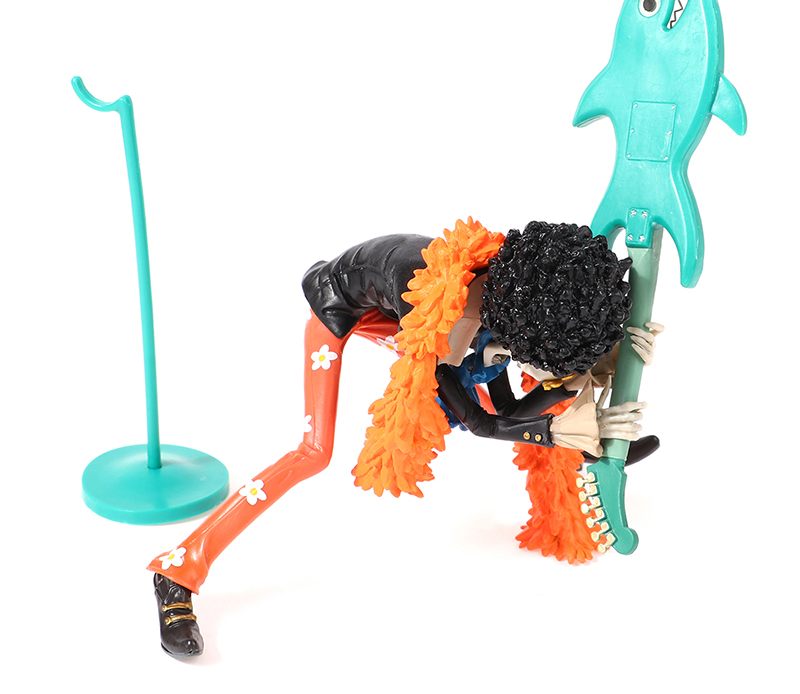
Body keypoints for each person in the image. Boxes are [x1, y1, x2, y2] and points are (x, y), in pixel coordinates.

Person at [149, 218, 661, 658]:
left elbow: (512, 401)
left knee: (520, 388)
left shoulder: (520, 288)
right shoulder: (439, 317)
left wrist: (601, 357)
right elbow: (479, 422)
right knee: (313, 452)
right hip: (343, 308)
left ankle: (584, 449)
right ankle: (177, 571)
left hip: (412, 310)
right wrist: (554, 430)